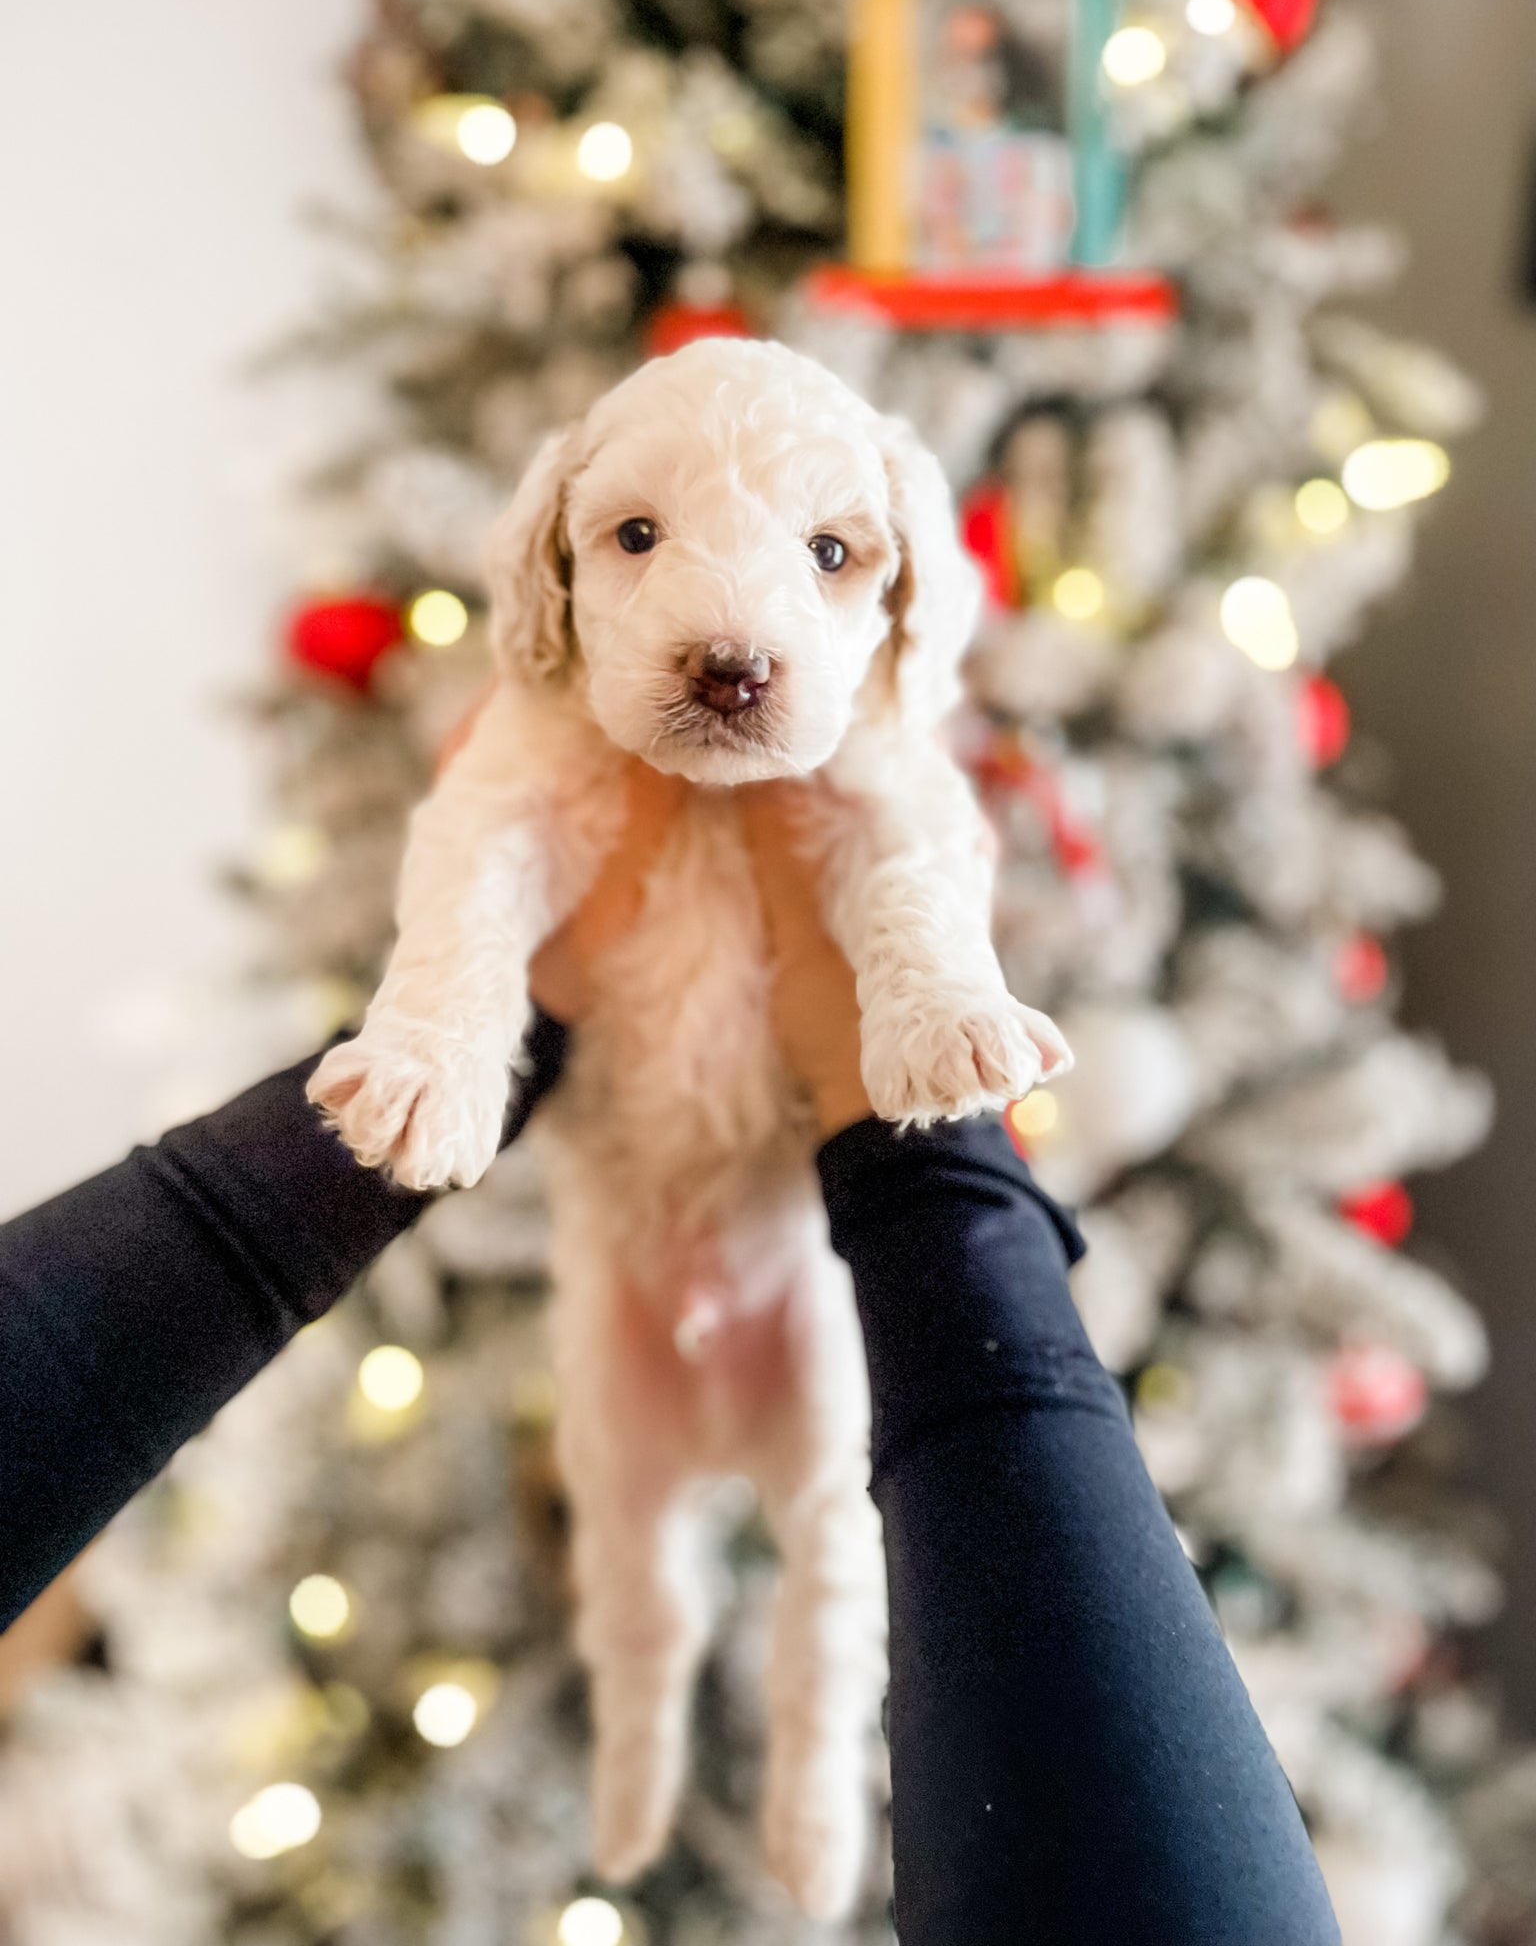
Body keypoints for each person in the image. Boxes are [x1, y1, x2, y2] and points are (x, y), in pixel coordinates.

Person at [0, 764, 1340, 1946]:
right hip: (648, 1250)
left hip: (762, 1256)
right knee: (645, 1551)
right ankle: (922, 1162)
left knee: (817, 1547)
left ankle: (879, 1139)